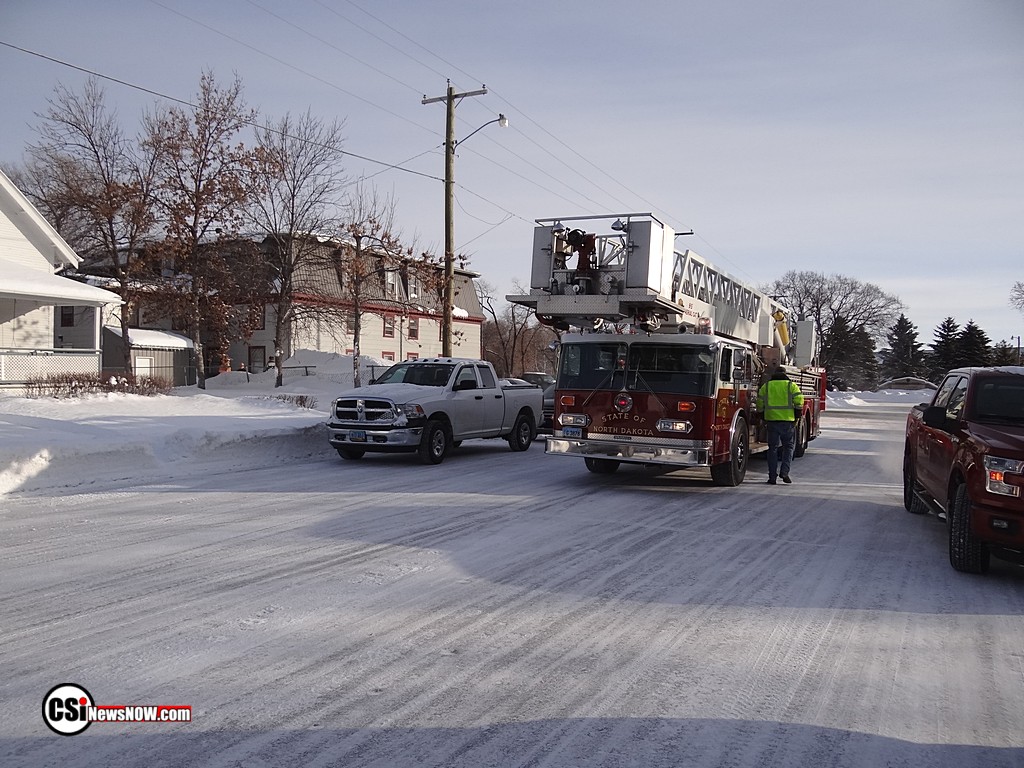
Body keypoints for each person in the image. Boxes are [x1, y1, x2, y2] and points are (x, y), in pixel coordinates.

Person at [756, 366, 805, 485]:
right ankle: (785, 472)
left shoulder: (766, 386)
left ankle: (772, 477)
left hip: (772, 422)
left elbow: (759, 403)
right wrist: (797, 416)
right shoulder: (791, 385)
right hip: (787, 422)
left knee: (772, 449)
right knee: (788, 448)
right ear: (785, 374)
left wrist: (763, 416)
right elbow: (799, 402)